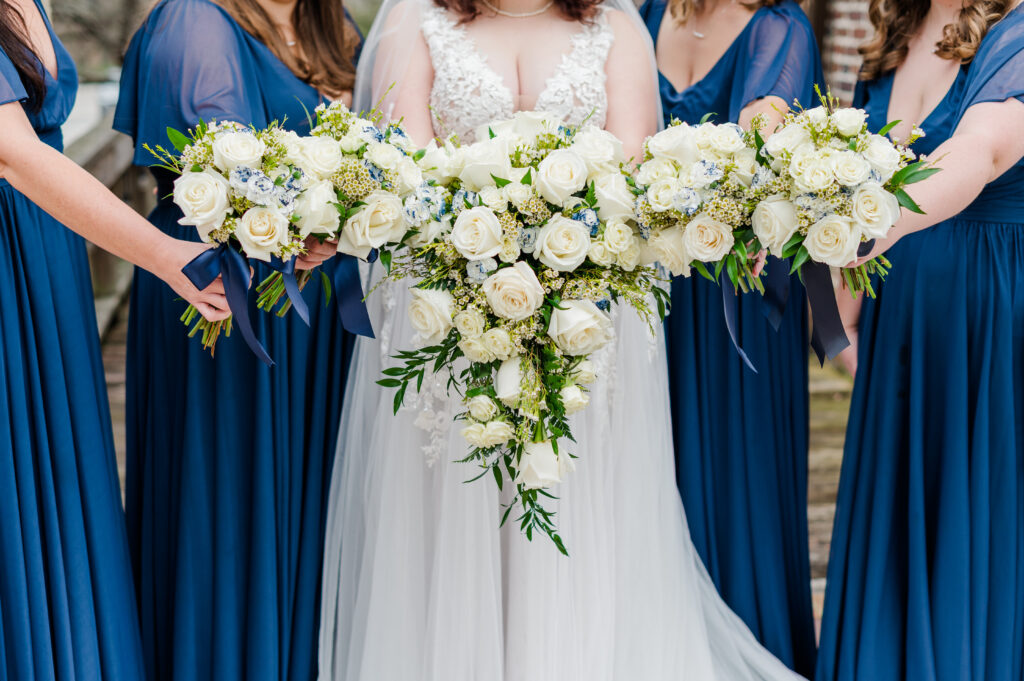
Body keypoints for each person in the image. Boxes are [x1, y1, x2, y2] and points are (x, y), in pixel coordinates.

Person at [317, 0, 810, 678]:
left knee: (574, 498)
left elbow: (634, 167)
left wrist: (557, 255)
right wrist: (486, 251)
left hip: (584, 302)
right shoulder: (416, 19)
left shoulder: (613, 25)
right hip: (448, 302)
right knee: (456, 499)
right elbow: (406, 164)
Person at [113, 1, 361, 679]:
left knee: (308, 508)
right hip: (221, 297)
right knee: (230, 512)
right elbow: (222, 171)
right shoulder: (197, 21)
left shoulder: (327, 23)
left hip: (315, 313)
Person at [0, 0, 230, 678]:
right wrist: (165, 255)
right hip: (11, 266)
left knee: (58, 486)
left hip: (47, 261)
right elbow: (13, 153)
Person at [818, 1, 1024, 679]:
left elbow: (981, 151)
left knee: (976, 519)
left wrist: (876, 224)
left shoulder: (1016, 33)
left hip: (985, 325)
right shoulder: (894, 36)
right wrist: (829, 321)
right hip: (898, 324)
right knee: (903, 521)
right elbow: (832, 186)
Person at [638, 0, 821, 673]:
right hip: (646, 288)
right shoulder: (644, 13)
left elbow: (757, 148)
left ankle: (748, 642)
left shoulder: (780, 27)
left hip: (735, 293)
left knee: (731, 459)